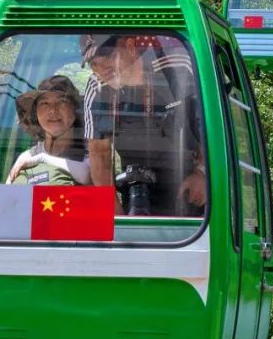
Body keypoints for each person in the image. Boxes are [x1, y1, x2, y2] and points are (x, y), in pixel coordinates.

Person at [82, 34, 206, 214]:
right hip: (132, 182)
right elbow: (99, 153)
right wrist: (116, 214)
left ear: (131, 46)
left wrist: (201, 173)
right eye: (94, 64)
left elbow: (211, 129)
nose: (103, 69)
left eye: (108, 57)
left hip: (187, 176)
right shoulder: (97, 86)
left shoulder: (175, 65)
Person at [7, 74, 90, 186]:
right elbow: (6, 197)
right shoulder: (28, 156)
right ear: (35, 112)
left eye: (61, 101)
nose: (53, 110)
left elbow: (88, 175)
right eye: (45, 103)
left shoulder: (93, 150)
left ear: (75, 108)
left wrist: (43, 159)